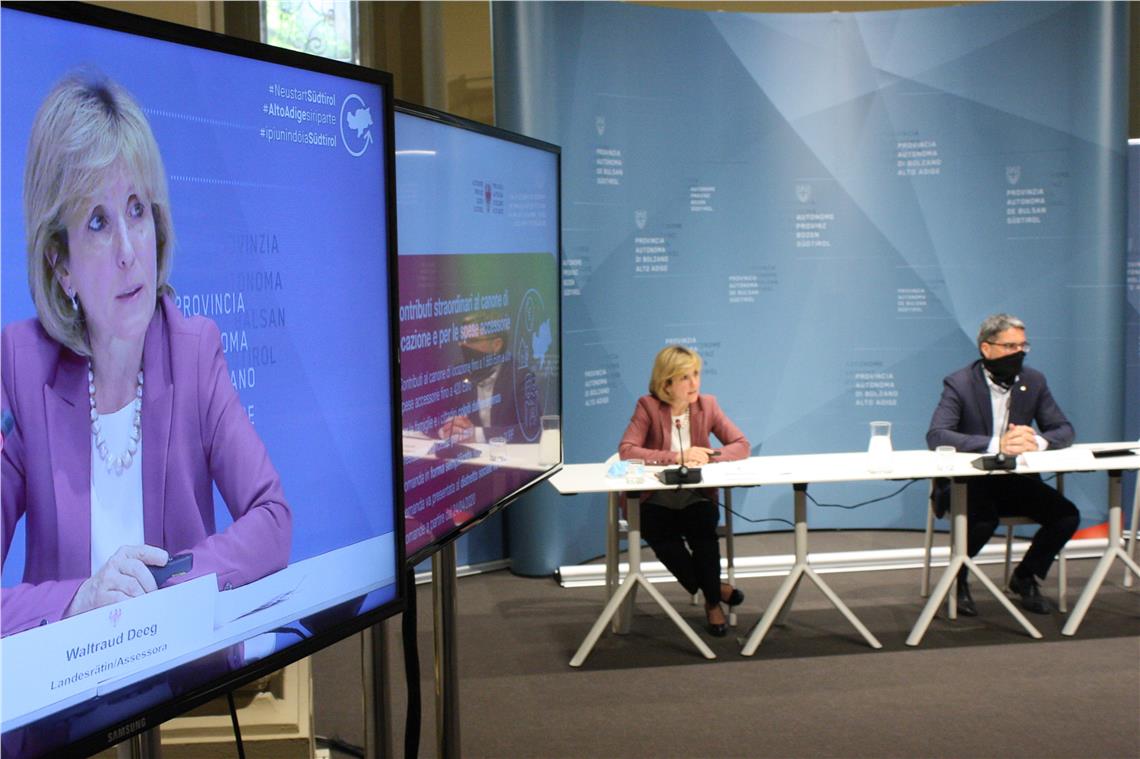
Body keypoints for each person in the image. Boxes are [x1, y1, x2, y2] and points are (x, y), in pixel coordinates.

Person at [1, 72, 292, 638]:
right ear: (61, 265)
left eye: (136, 210)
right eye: (98, 222)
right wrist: (80, 601)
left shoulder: (193, 351)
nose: (129, 251)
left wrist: (167, 588)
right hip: (74, 690)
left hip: (184, 677)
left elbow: (273, 519)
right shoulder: (21, 367)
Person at [926, 313, 1079, 615]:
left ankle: (1025, 577)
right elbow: (937, 434)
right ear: (986, 348)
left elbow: (1063, 429)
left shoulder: (1033, 381)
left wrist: (1036, 441)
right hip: (967, 482)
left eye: (1023, 346)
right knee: (983, 519)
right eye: (1010, 346)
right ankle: (958, 580)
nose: (1018, 353)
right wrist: (997, 444)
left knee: (1066, 516)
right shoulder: (960, 383)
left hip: (1012, 480)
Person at [618, 345, 750, 636]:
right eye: (685, 377)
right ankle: (716, 590)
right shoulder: (648, 407)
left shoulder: (707, 405)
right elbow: (627, 450)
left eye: (696, 374)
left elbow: (741, 445)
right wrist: (676, 456)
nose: (694, 383)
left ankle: (712, 604)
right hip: (654, 500)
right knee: (664, 540)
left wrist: (708, 455)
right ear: (666, 384)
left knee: (704, 536)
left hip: (695, 497)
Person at [437, 310, 534, 445]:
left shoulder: (520, 376)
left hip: (506, 455)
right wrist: (447, 429)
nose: (463, 345)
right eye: (462, 340)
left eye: (471, 340)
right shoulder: (459, 372)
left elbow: (532, 428)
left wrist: (477, 435)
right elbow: (428, 418)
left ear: (496, 345)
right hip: (467, 455)